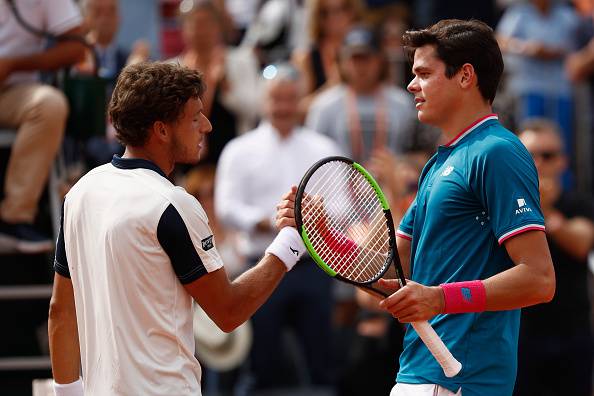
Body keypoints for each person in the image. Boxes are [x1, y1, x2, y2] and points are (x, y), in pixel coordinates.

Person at [47, 61, 307, 396]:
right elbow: (229, 312)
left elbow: (61, 310)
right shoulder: (172, 203)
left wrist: (67, 393)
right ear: (162, 130)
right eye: (196, 117)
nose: (208, 126)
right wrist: (292, 238)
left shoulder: (80, 193)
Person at [376, 20, 555, 396]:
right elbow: (388, 273)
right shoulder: (438, 163)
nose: (411, 85)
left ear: (465, 76)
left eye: (424, 73)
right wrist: (318, 233)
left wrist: (439, 298)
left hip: (462, 381)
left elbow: (539, 279)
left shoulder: (499, 152)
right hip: (419, 375)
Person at [215, 63, 341, 391]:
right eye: (276, 99)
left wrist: (310, 218)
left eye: (289, 99)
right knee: (262, 361)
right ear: (263, 101)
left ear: (300, 101)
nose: (283, 107)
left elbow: (342, 205)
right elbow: (226, 207)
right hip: (260, 264)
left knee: (322, 359)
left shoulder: (323, 148)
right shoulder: (239, 150)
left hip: (312, 265)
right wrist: (273, 221)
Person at [514, 118, 594, 396]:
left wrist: (545, 211)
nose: (538, 163)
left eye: (547, 155)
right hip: (520, 334)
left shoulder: (578, 202)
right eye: (529, 155)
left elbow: (582, 243)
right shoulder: (505, 206)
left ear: (562, 161)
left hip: (572, 333)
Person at [0, 0, 85, 253]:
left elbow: (76, 48)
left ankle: (14, 218)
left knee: (50, 104)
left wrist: (13, 65)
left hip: (14, 91)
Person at [306, 24, 417, 165]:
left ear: (380, 60)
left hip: (390, 185)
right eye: (354, 59)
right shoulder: (323, 106)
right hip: (337, 186)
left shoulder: (404, 104)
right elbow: (311, 155)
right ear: (342, 62)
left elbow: (417, 154)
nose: (360, 66)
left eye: (366, 58)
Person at [172, 0, 262, 165]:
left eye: (207, 23)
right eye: (194, 23)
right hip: (188, 162)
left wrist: (226, 87)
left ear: (218, 26)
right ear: (183, 29)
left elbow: (254, 109)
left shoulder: (241, 61)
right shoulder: (173, 68)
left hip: (233, 156)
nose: (201, 30)